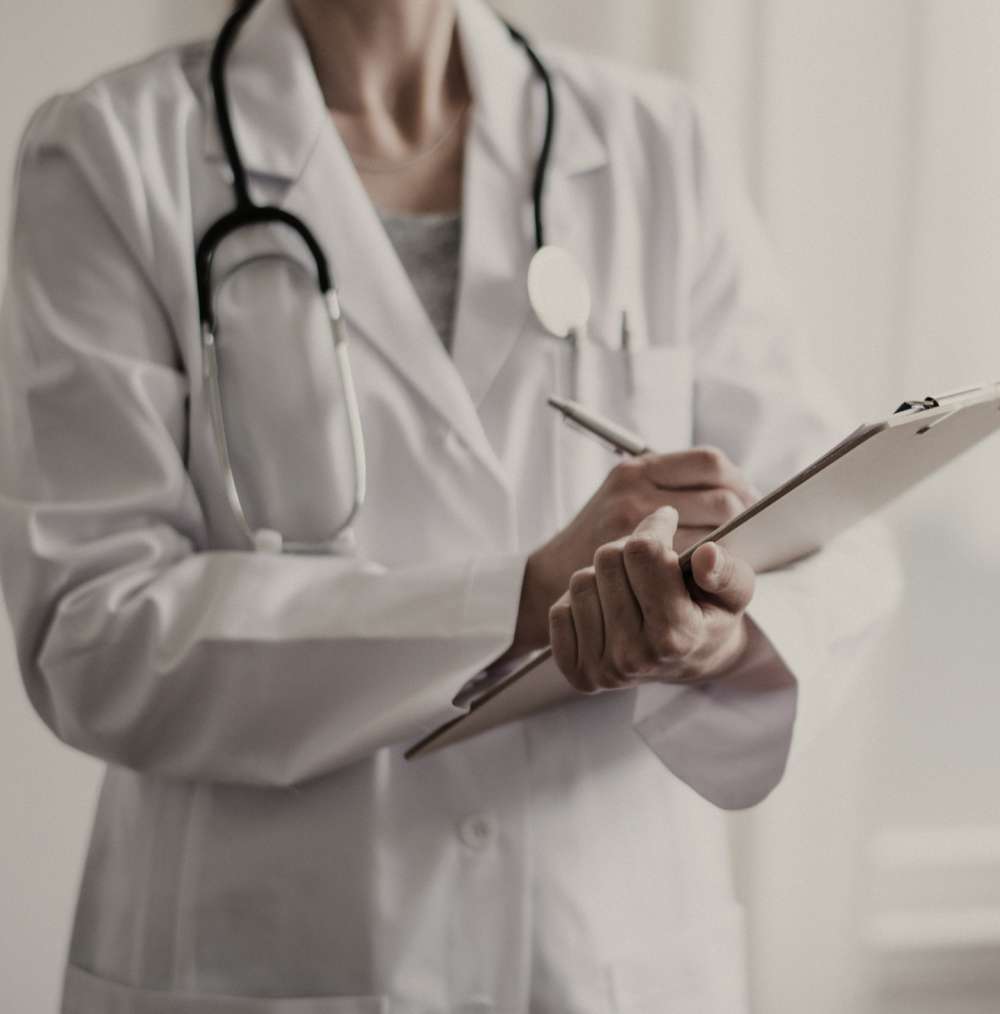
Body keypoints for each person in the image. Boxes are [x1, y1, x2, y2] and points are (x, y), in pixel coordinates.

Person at [0, 0, 898, 1011]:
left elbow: (838, 534)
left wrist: (715, 638)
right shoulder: (111, 153)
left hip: (606, 946)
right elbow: (92, 635)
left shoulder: (654, 141)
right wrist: (520, 599)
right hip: (266, 954)